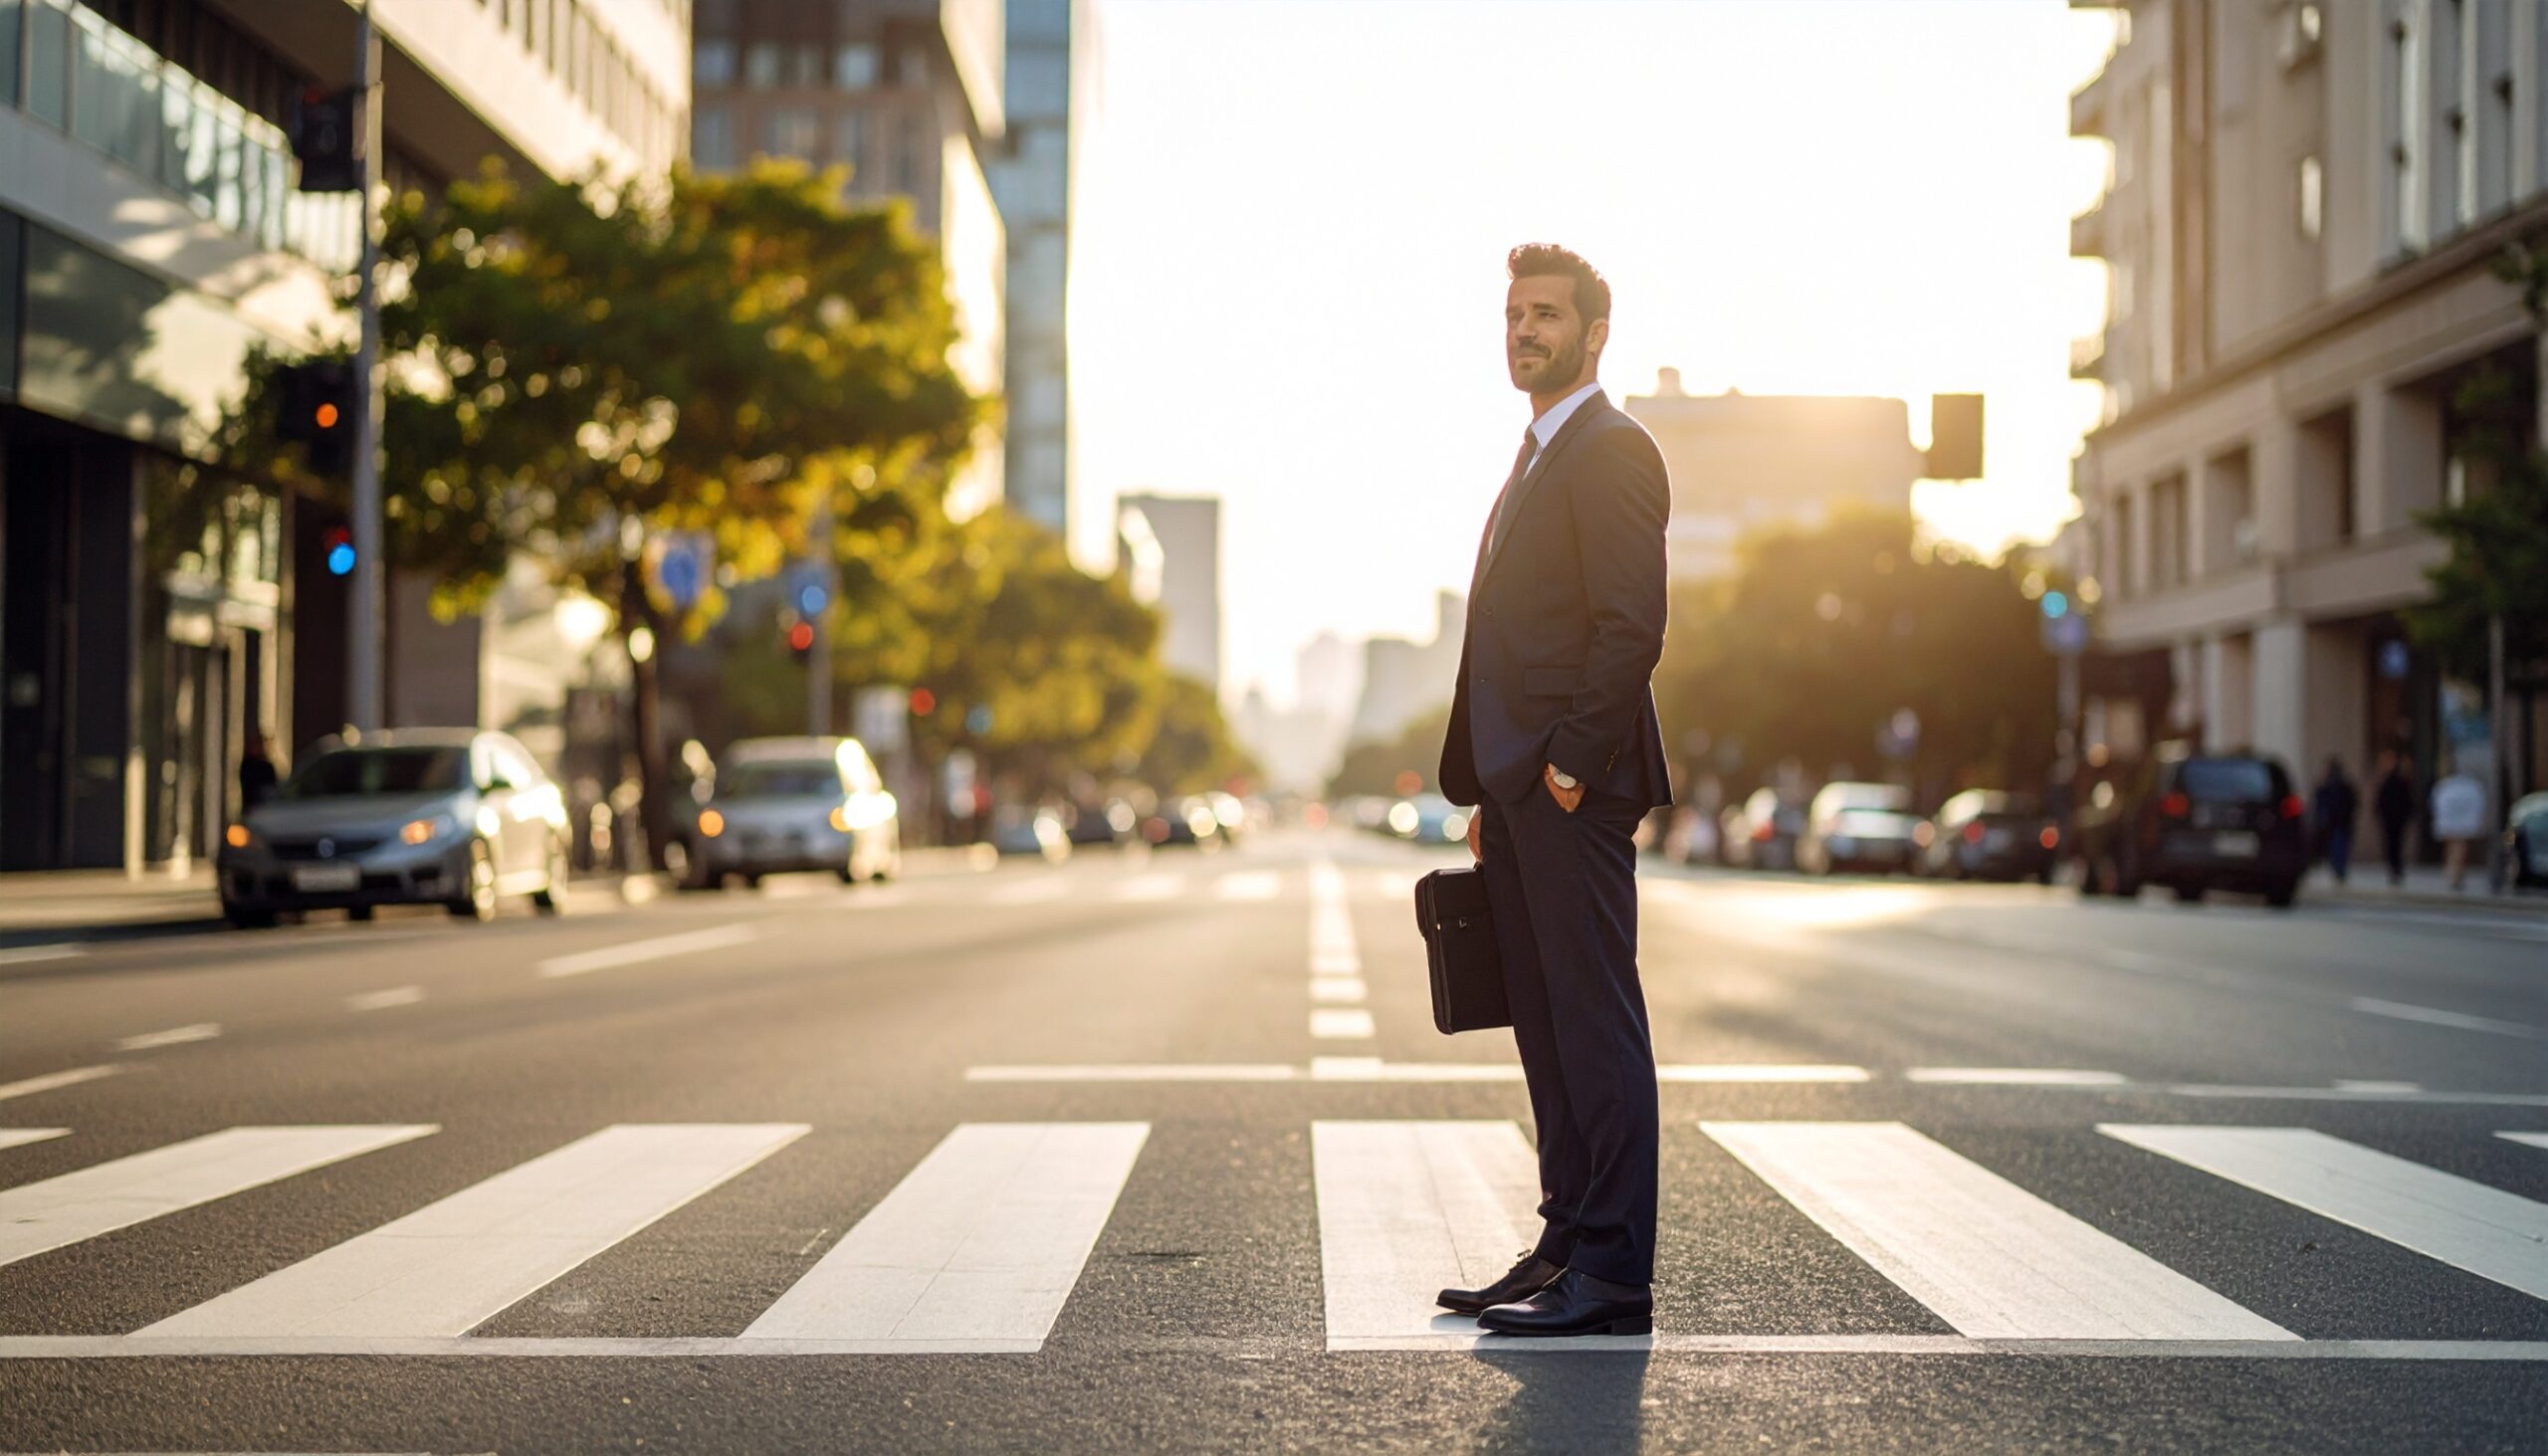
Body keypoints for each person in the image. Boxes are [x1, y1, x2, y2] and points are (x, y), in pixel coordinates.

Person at [1437, 244, 1673, 1339]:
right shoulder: (1535, 454)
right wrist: (1496, 783)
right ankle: (1566, 1238)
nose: (1523, 330)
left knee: (1592, 1022)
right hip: (1520, 787)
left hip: (1573, 785)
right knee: (1541, 1020)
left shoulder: (1612, 449)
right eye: (1513, 313)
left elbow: (1629, 624)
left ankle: (1614, 1270)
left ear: (1594, 333)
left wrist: (1570, 765)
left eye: (1545, 314)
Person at [2431, 763, 2487, 891]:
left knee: (2453, 848)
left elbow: (2435, 804)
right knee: (2458, 849)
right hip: (2462, 824)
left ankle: (2453, 872)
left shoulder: (2446, 787)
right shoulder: (2470, 788)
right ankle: (2454, 873)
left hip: (2450, 824)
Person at [2311, 756, 2359, 885]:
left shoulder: (2333, 785)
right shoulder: (2341, 785)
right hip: (2339, 823)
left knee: (2338, 847)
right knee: (2338, 848)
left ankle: (2339, 870)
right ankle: (2339, 870)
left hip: (2336, 823)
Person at [2373, 750, 2416, 886]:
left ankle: (2395, 869)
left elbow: (2406, 800)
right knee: (2393, 844)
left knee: (2394, 844)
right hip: (2392, 818)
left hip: (2395, 818)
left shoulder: (2399, 779)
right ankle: (2395, 869)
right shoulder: (2390, 779)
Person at [238, 732, 279, 809]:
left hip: (264, 805)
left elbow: (271, 787)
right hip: (251, 805)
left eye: (258, 745)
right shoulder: (246, 765)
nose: (255, 748)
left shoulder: (266, 766)